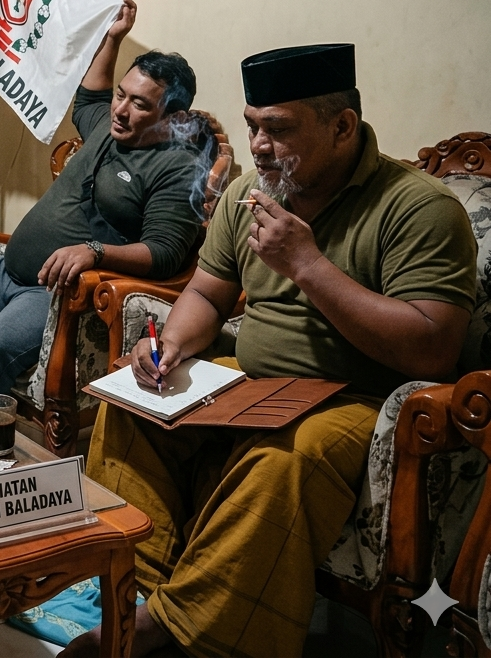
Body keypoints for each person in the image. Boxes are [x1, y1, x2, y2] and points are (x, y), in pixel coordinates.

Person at [63, 43, 478, 658]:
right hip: (255, 383)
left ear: (342, 127)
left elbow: (433, 348)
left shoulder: (418, 208)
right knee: (130, 409)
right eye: (253, 125)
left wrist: (307, 264)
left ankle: (174, 633)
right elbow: (206, 292)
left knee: (288, 459)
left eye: (278, 129)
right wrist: (169, 345)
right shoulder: (251, 194)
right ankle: (138, 593)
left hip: (357, 399)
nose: (258, 146)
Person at [0, 0, 213, 401]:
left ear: (173, 118)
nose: (120, 110)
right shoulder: (109, 126)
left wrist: (95, 251)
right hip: (6, 271)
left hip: (56, 295)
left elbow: (165, 253)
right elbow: (90, 97)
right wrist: (113, 38)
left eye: (139, 104)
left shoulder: (178, 167)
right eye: (121, 95)